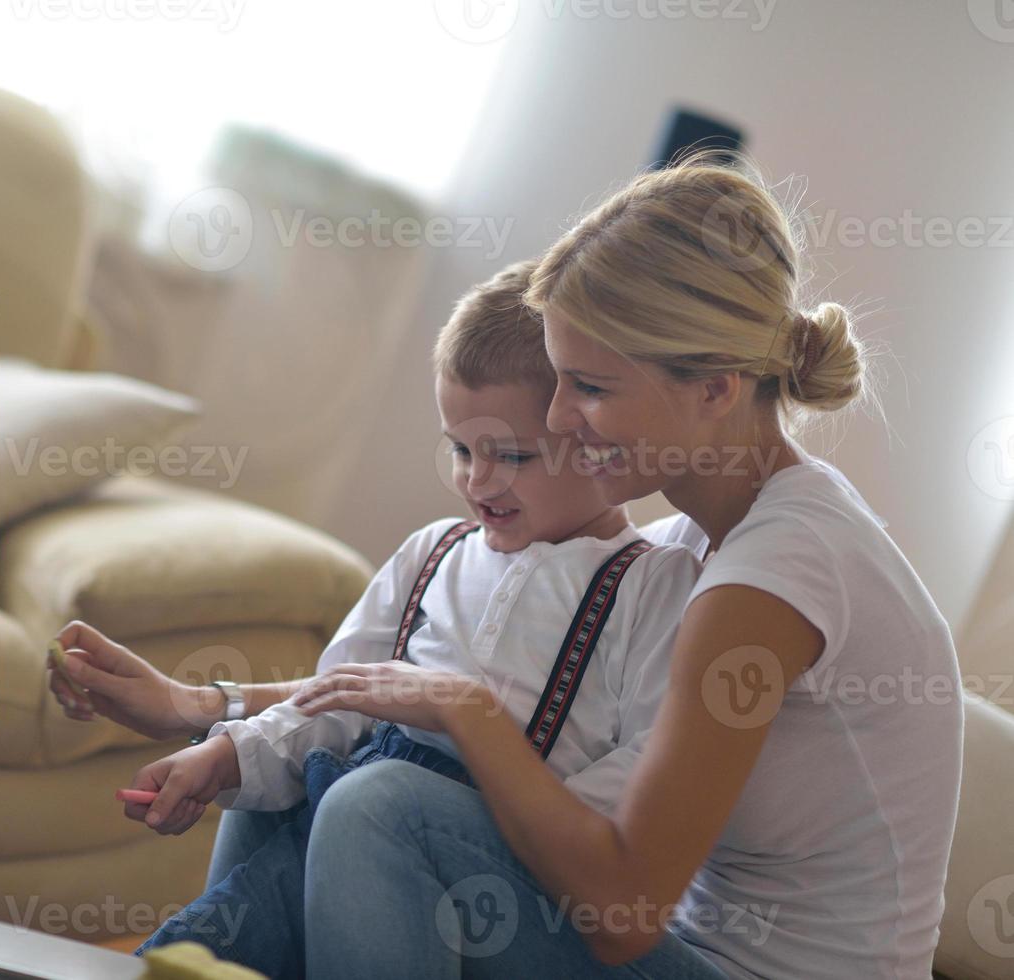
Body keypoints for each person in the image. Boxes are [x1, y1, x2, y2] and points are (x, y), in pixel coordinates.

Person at [287, 154, 964, 979]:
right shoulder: (689, 545)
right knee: (306, 775)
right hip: (685, 952)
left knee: (384, 809)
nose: (558, 416)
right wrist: (213, 711)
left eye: (590, 386)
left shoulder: (772, 574)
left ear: (714, 389)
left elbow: (621, 914)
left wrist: (465, 711)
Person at [50, 260, 710, 977]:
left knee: (359, 806)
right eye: (461, 450)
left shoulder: (650, 584)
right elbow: (334, 700)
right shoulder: (432, 552)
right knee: (285, 788)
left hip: (500, 884)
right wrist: (225, 752)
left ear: (592, 437)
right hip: (360, 819)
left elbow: (633, 799)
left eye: (513, 456)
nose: (476, 480)